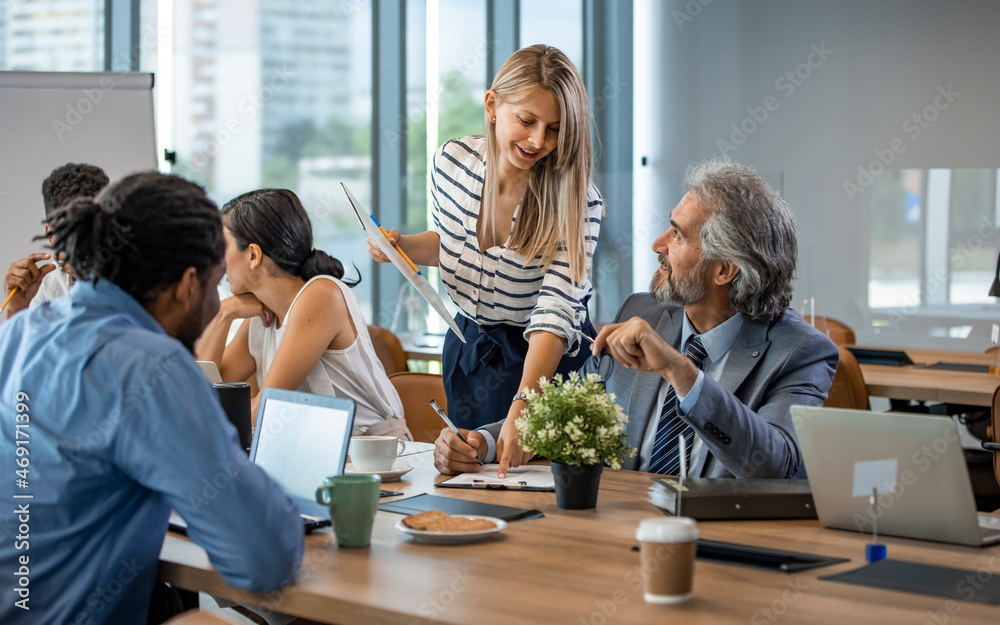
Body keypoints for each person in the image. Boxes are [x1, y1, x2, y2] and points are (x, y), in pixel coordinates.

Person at [0, 173, 304, 625]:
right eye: (216, 284)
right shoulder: (148, 365)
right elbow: (265, 556)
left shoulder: (16, 332)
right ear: (187, 285)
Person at [433, 159, 839, 479]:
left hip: (719, 551)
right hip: (618, 528)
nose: (657, 244)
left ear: (724, 271)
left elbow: (777, 465)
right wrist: (482, 444)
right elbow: (568, 412)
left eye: (678, 236)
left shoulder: (800, 352)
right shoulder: (642, 312)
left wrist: (680, 371)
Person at [368, 44, 602, 470]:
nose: (538, 141)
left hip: (544, 362)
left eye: (554, 129)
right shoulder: (451, 163)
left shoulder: (578, 200)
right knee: (468, 475)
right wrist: (401, 245)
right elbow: (450, 244)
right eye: (527, 121)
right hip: (471, 349)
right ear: (493, 106)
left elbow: (554, 313)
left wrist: (526, 406)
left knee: (537, 492)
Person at [196, 188, 411, 439]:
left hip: (375, 454)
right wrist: (225, 312)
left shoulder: (320, 296)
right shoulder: (261, 315)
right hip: (317, 453)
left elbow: (264, 411)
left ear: (253, 255)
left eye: (223, 246)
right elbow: (202, 389)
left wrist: (202, 415)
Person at [2, 162, 110, 317]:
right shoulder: (47, 284)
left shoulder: (137, 275)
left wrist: (88, 280)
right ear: (51, 235)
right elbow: (31, 341)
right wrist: (17, 309)